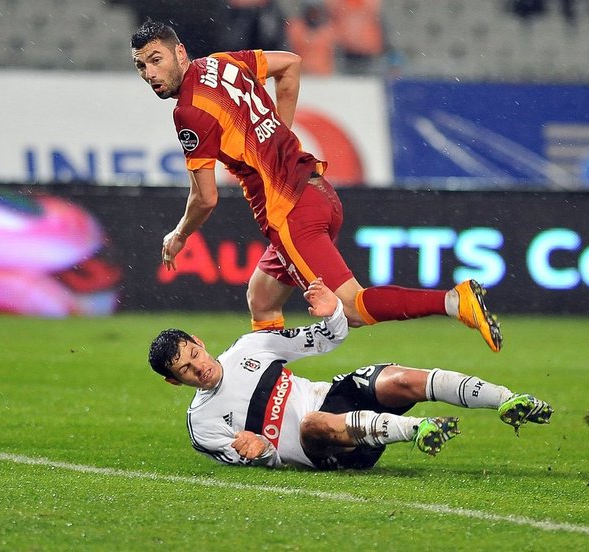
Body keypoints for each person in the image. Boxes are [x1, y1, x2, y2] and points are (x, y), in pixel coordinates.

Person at [130, 20, 503, 353]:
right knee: (262, 299)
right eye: (141, 66)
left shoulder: (190, 111)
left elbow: (205, 198)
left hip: (291, 212)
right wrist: (279, 132)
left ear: (180, 52)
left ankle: (453, 302)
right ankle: (272, 390)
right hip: (318, 191)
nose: (150, 74)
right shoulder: (222, 62)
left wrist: (179, 235)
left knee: (351, 308)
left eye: (156, 60)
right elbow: (290, 64)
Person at [148, 278, 552, 470]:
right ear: (174, 381)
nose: (199, 367)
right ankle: (418, 430)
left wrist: (333, 313)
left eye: (194, 354)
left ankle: (509, 400)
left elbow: (327, 339)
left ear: (199, 341)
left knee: (398, 379)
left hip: (335, 397)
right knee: (312, 423)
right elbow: (261, 461)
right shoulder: (202, 425)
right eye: (186, 370)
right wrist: (261, 451)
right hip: (324, 449)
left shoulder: (249, 348)